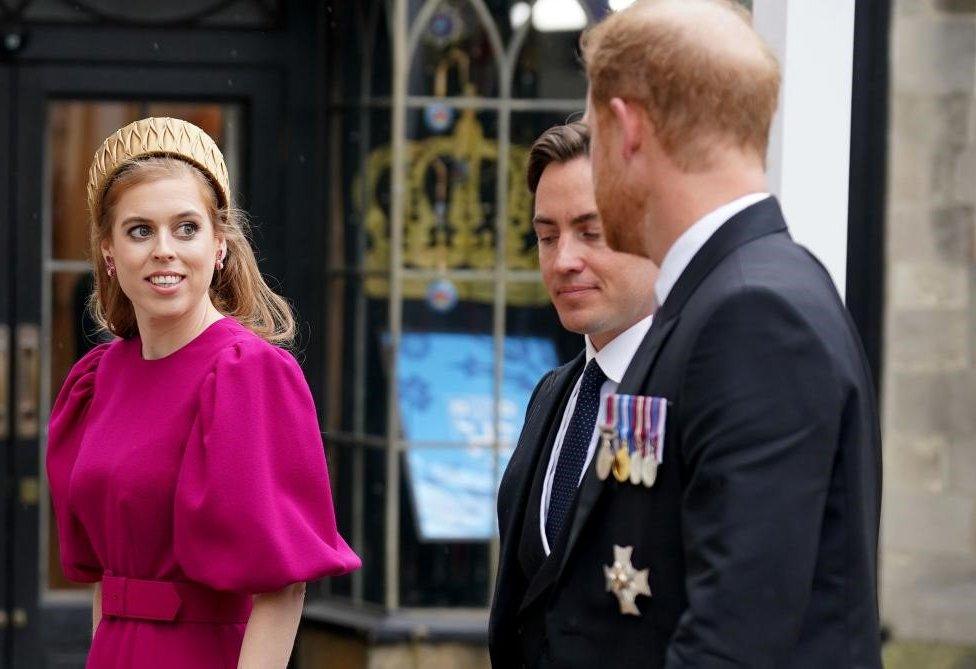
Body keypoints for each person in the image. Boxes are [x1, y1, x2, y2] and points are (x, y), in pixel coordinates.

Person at [552, 1, 879, 667]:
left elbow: (735, 640)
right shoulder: (723, 295)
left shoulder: (755, 312)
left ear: (627, 128)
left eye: (593, 129)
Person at [46, 117, 361, 669]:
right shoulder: (97, 380)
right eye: (140, 230)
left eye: (186, 228)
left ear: (219, 245)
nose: (164, 250)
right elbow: (105, 578)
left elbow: (283, 588)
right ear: (109, 254)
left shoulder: (249, 375)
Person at [489, 122, 659, 667]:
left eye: (592, 232)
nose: (563, 260)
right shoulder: (552, 393)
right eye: (547, 235)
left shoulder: (689, 393)